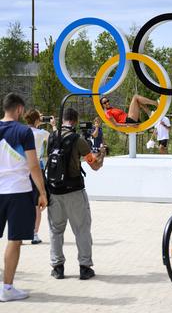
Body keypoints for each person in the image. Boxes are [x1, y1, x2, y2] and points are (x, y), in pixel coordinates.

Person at [47, 108, 106, 280]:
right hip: (74, 191)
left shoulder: (52, 136)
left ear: (63, 119)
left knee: (56, 230)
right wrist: (102, 153)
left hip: (54, 191)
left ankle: (57, 268)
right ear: (75, 120)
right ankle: (85, 267)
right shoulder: (78, 140)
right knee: (81, 229)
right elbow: (94, 165)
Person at [0, 93, 47, 302]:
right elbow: (33, 165)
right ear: (19, 109)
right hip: (18, 192)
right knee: (14, 240)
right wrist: (43, 193)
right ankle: (7, 288)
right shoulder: (23, 132)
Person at [24, 109, 56, 244]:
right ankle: (34, 234)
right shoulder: (41, 133)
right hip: (36, 168)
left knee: (22, 203)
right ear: (38, 119)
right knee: (37, 203)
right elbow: (55, 137)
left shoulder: (21, 131)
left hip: (21, 169)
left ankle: (19, 234)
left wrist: (37, 120)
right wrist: (53, 124)